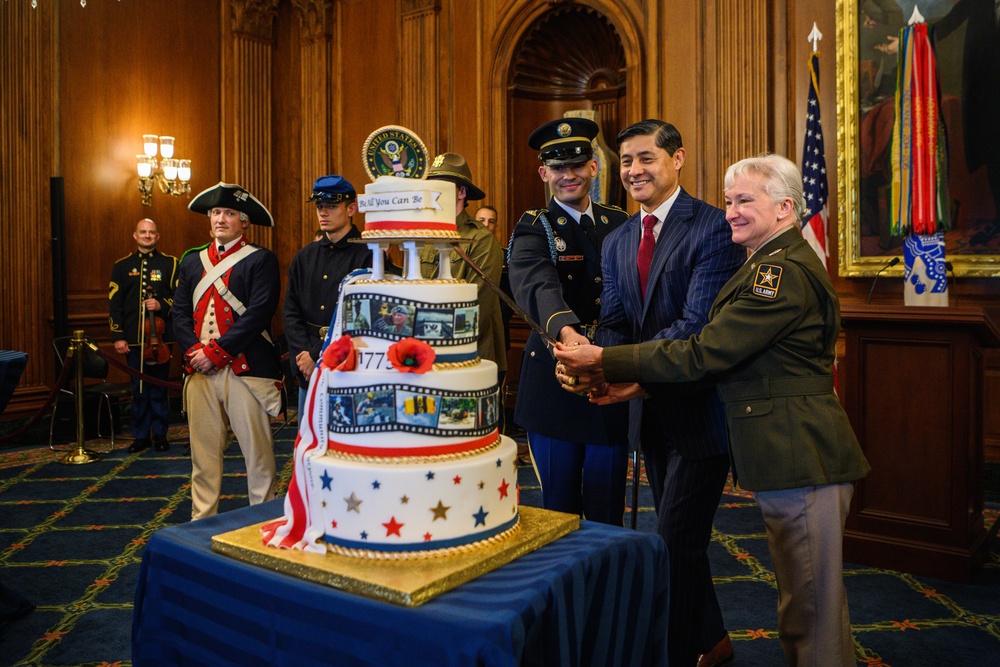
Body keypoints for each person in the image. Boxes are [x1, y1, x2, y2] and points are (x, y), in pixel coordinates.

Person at [555, 154, 872, 667]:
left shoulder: (779, 272)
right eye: (728, 201)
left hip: (803, 453)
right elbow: (730, 362)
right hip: (785, 454)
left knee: (810, 608)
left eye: (746, 200)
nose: (731, 212)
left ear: (786, 208)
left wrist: (603, 359)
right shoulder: (764, 263)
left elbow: (707, 350)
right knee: (805, 601)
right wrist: (636, 386)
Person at [592, 119, 745, 667]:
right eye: (626, 161)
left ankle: (675, 654)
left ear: (677, 159)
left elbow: (694, 325)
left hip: (701, 414)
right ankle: (715, 641)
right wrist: (599, 366)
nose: (633, 170)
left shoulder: (712, 228)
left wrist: (617, 365)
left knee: (675, 541)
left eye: (646, 158)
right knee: (682, 540)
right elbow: (612, 319)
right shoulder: (615, 241)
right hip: (648, 414)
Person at [507, 117, 630, 524]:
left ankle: (608, 587)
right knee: (560, 511)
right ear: (544, 173)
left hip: (608, 377)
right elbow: (537, 284)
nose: (569, 175)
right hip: (554, 383)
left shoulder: (620, 222)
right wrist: (567, 331)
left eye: (577, 165)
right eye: (558, 168)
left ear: (593, 167)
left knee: (606, 503)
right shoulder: (532, 227)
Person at [172, 182, 283, 520]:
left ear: (244, 221)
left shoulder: (261, 260)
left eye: (229, 213)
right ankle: (201, 519)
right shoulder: (192, 261)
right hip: (199, 370)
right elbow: (178, 313)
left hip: (244, 371)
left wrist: (216, 353)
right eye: (216, 212)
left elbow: (259, 314)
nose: (221, 218)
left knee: (258, 455)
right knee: (202, 456)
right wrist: (194, 352)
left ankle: (264, 519)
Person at [283, 175, 371, 417]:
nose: (323, 212)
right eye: (320, 206)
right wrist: (303, 358)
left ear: (351, 208)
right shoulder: (304, 257)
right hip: (307, 365)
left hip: (349, 360)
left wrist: (316, 356)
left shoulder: (369, 254)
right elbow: (291, 311)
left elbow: (362, 318)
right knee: (308, 441)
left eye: (332, 206)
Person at [419, 153, 506, 379]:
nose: (434, 192)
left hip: (471, 358)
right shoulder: (425, 237)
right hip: (427, 356)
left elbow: (476, 311)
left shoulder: (481, 239)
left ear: (462, 192)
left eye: (443, 186)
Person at [109, 218, 178, 453]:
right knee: (138, 389)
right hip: (133, 340)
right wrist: (118, 336)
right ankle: (140, 436)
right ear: (135, 235)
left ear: (157, 236)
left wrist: (161, 304)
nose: (147, 236)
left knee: (159, 389)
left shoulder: (170, 263)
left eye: (151, 233)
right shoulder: (121, 266)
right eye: (143, 232)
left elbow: (181, 299)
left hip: (161, 340)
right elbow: (115, 304)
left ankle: (160, 434)